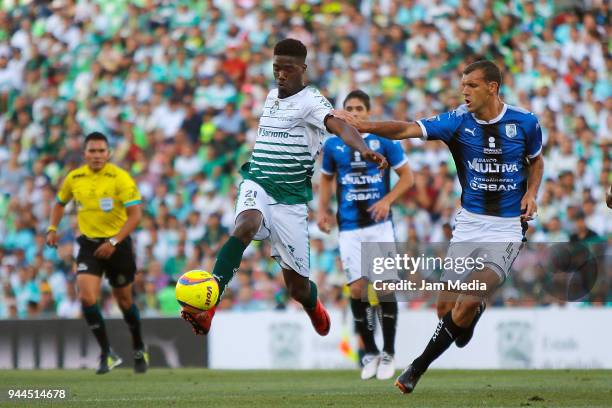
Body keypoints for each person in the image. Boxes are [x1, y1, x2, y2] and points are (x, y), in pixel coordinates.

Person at [334, 60, 544, 393]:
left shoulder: (526, 122)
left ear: (492, 87)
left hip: (506, 228)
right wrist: (364, 126)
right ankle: (470, 315)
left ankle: (416, 367)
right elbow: (405, 129)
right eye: (463, 85)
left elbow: (536, 161)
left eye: (472, 85)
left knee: (471, 294)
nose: (465, 92)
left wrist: (531, 193)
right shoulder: (457, 122)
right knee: (446, 310)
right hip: (469, 224)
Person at [180, 38, 387, 337]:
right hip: (258, 181)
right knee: (245, 225)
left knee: (297, 288)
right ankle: (209, 306)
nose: (280, 75)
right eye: (276, 68)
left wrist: (363, 148)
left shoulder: (312, 103)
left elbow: (339, 125)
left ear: (302, 68)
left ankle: (313, 305)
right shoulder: (270, 96)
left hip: (290, 202)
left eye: (287, 69)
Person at [317, 89, 413, 380]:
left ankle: (389, 352)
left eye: (359, 108)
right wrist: (323, 210)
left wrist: (387, 200)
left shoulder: (384, 141)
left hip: (379, 228)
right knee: (357, 290)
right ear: (342, 113)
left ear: (368, 112)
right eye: (349, 109)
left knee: (384, 289)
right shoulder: (333, 145)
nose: (355, 113)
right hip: (349, 228)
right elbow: (326, 179)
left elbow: (408, 178)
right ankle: (369, 351)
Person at [46, 132, 147, 374]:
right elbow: (59, 203)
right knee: (86, 298)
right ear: (85, 154)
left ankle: (138, 346)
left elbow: (136, 216)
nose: (97, 155)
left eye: (102, 151)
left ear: (109, 153)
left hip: (118, 245)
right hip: (90, 245)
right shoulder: (74, 178)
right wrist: (52, 228)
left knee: (124, 302)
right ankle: (107, 353)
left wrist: (113, 241)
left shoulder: (120, 178)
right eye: (92, 151)